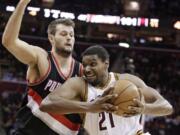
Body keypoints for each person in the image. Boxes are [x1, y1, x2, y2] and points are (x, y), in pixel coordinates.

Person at [40, 45, 173, 135]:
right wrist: (89, 107)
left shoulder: (128, 81)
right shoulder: (78, 84)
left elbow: (166, 107)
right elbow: (46, 104)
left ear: (106, 64)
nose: (86, 69)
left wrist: (144, 109)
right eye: (85, 65)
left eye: (92, 64)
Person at [2, 0, 85, 134]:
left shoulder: (82, 72)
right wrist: (22, 3)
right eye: (64, 34)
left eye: (72, 35)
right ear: (51, 38)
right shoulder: (42, 58)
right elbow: (9, 42)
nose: (69, 38)